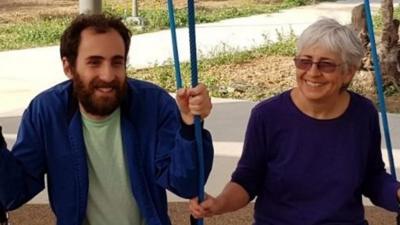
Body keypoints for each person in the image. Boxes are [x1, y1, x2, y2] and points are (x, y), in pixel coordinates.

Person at [0, 14, 214, 225]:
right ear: (68, 67)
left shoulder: (153, 104)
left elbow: (186, 184)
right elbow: (12, 194)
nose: (108, 75)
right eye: (94, 62)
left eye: (117, 62)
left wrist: (189, 125)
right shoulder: (46, 112)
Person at [189, 18, 400, 225]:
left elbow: (372, 177)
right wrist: (219, 204)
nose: (313, 72)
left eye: (326, 65)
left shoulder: (363, 113)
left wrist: (396, 193)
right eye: (304, 61)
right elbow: (247, 179)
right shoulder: (267, 115)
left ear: (348, 72)